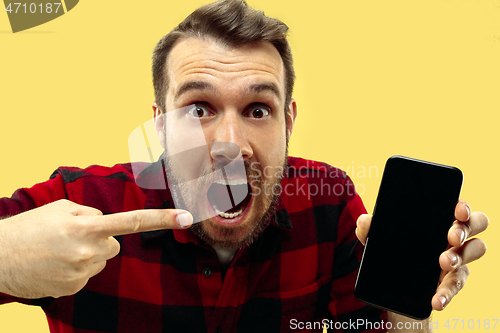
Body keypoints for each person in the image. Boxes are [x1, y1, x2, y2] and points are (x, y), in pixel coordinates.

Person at [0, 0, 488, 332]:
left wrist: (407, 316)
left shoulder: (331, 202)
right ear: (161, 127)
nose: (230, 144)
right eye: (198, 109)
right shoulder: (80, 205)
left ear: (288, 122)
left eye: (258, 110)